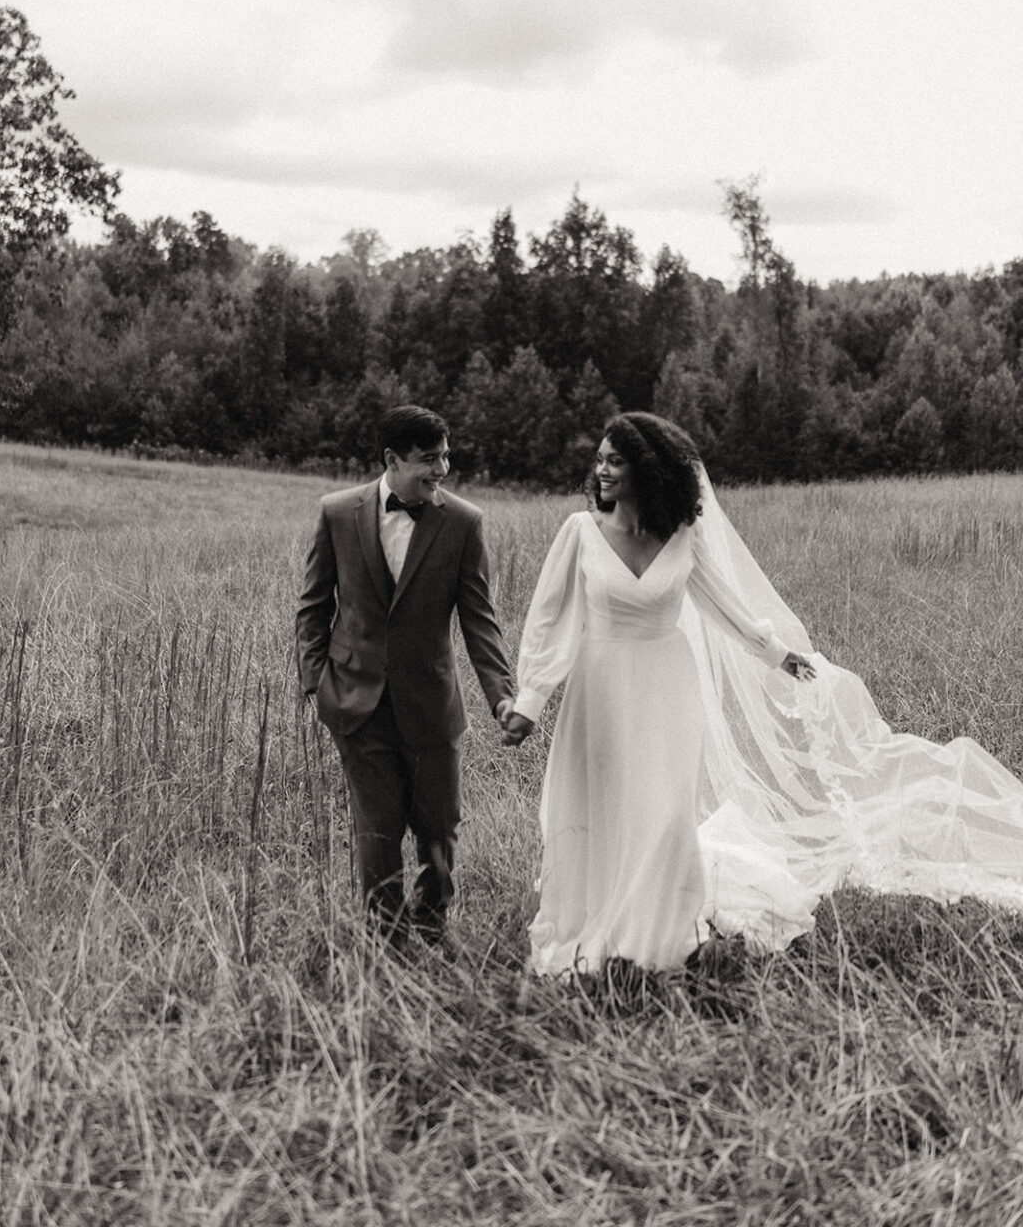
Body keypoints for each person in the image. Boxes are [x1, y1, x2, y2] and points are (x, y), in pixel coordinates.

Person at [502, 412, 1023, 976]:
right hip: (601, 689)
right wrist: (530, 700)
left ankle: (657, 936)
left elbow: (722, 603)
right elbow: (549, 623)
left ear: (647, 471)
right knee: (606, 806)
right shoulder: (580, 533)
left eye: (615, 460)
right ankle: (602, 918)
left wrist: (776, 655)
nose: (601, 469)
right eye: (599, 458)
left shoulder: (681, 534)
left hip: (667, 688)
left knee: (666, 813)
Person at [296, 404, 516, 954]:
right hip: (355, 704)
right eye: (429, 459)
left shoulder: (464, 523)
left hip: (431, 706)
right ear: (392, 460)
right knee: (378, 833)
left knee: (440, 829)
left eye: (445, 455)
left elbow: (479, 620)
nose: (442, 468)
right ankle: (388, 942)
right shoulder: (337, 513)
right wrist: (315, 683)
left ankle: (432, 925)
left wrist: (503, 697)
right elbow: (313, 606)